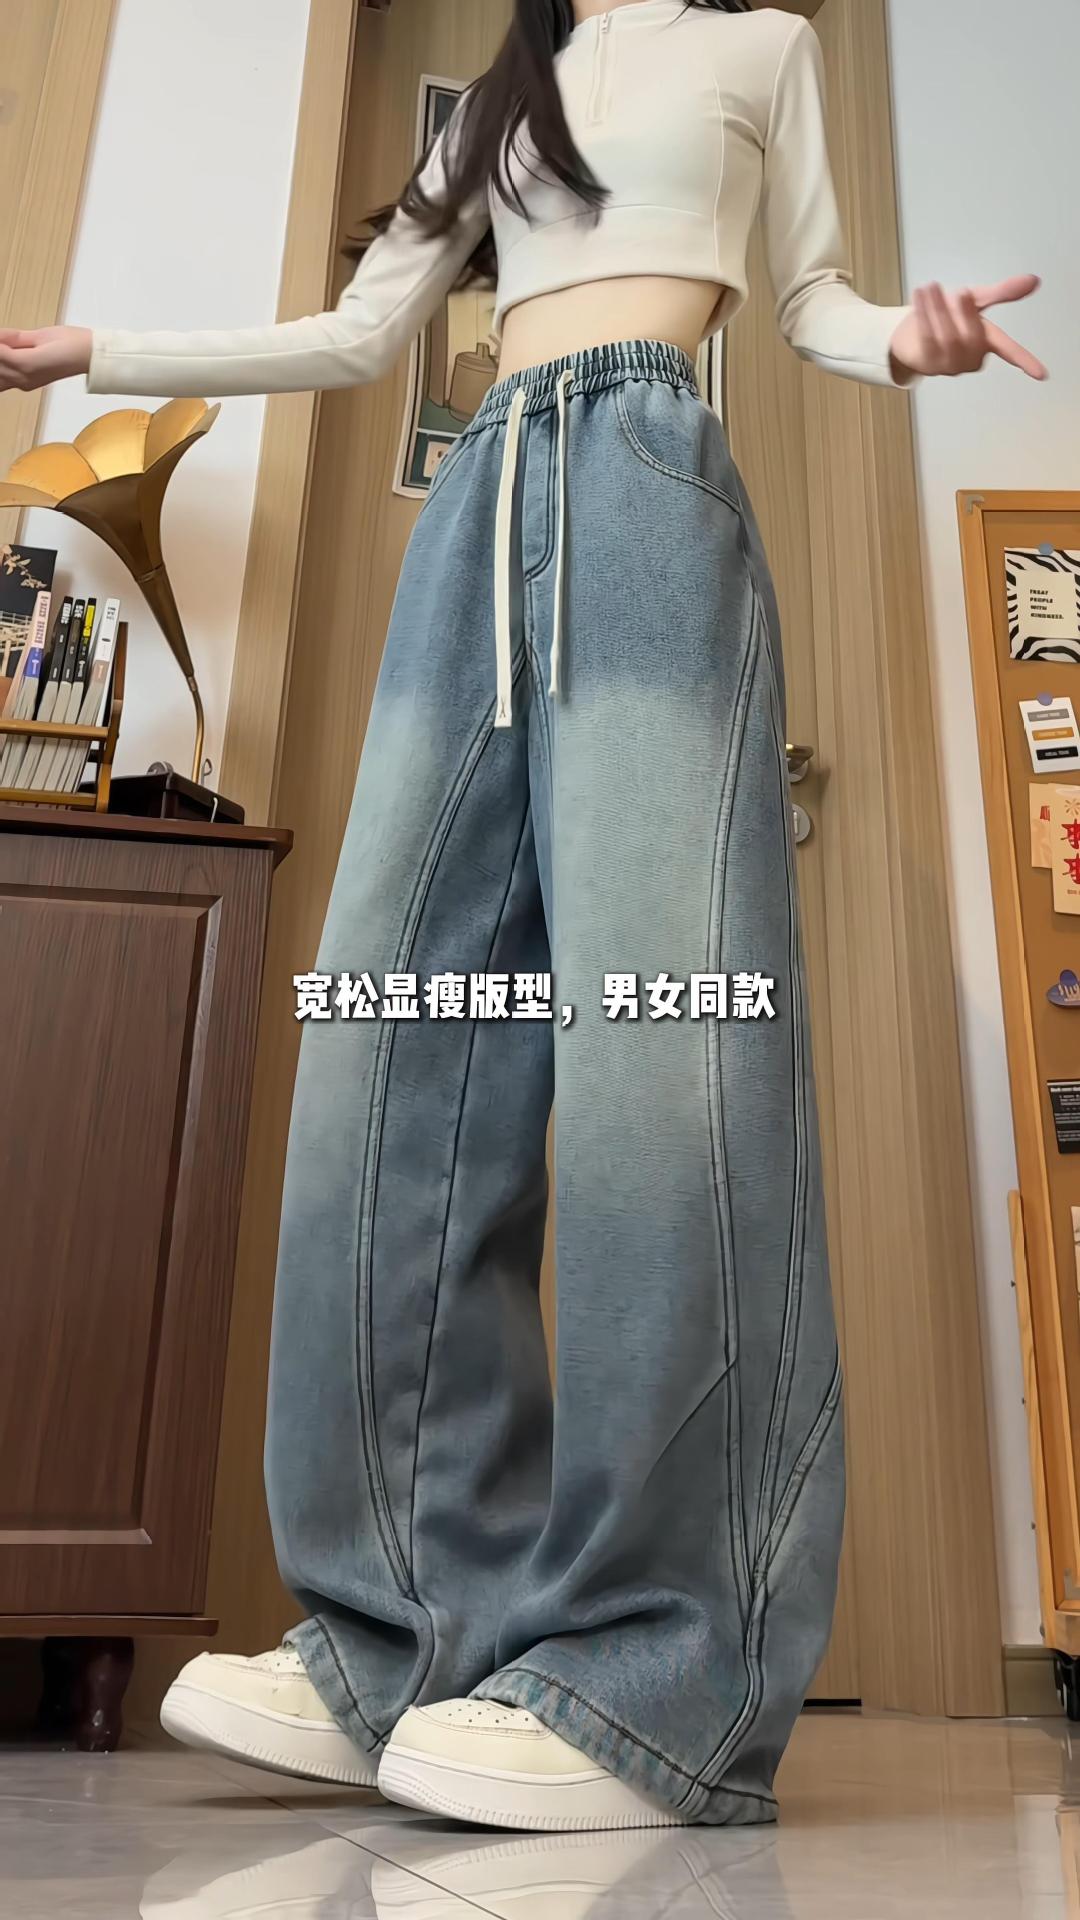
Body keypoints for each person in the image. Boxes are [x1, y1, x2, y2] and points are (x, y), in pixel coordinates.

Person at [1, 0, 1045, 1835]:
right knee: (386, 1053)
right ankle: (403, 1626)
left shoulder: (764, 48)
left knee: (662, 1066)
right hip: (474, 509)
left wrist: (914, 338)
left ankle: (660, 1670)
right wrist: (103, 348)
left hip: (645, 489)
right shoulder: (499, 103)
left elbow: (811, 298)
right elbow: (358, 333)